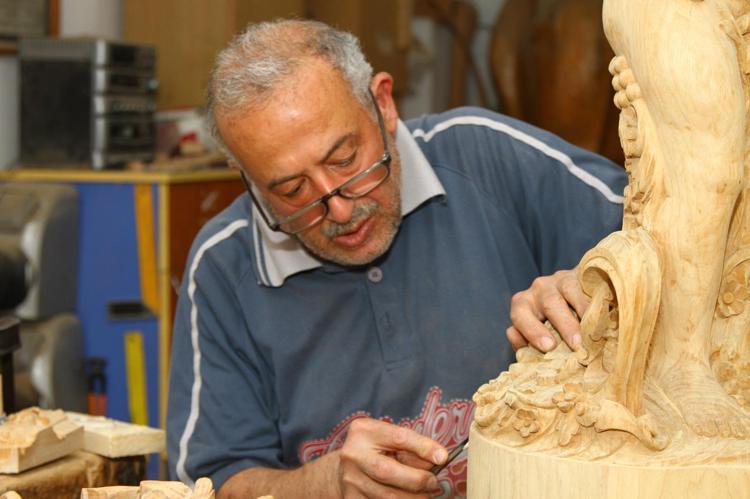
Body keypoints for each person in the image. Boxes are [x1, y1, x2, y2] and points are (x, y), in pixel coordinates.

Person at [166, 19, 627, 498]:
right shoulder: (224, 265)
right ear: (246, 177)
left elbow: (664, 227)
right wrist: (324, 484)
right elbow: (214, 481)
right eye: (291, 189)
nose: (339, 209)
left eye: (345, 159)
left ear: (383, 104)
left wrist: (593, 279)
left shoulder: (487, 155)